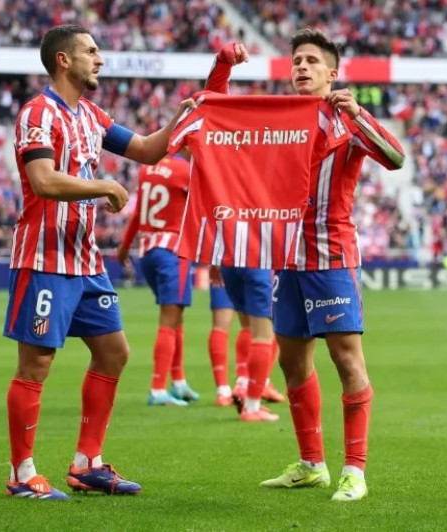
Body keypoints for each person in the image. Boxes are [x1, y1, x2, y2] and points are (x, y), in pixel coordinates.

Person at [206, 32, 405, 501]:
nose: (302, 67)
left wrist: (359, 114)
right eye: (297, 60)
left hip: (332, 257)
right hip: (286, 260)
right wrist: (222, 66)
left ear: (331, 73)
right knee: (294, 363)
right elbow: (214, 116)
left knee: (346, 359)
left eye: (313, 61)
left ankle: (354, 470)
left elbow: (395, 157)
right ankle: (312, 463)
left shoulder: (346, 121)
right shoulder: (279, 119)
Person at [3, 24, 196, 501]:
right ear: (64, 60)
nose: (100, 59)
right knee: (36, 364)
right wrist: (105, 186)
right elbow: (44, 180)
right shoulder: (37, 113)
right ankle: (22, 473)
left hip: (86, 260)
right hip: (45, 256)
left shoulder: (90, 114)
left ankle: (87, 463)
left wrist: (181, 119)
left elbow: (149, 150)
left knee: (114, 352)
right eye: (91, 51)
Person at [118, 154, 200, 407]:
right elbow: (199, 210)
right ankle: (157, 388)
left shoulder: (148, 167)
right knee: (169, 317)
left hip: (148, 250)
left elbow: (138, 211)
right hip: (174, 250)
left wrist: (124, 246)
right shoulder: (185, 170)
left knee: (175, 317)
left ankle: (179, 381)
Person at [207, 267, 285, 408]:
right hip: (259, 264)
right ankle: (252, 394)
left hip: (227, 262)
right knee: (268, 327)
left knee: (238, 326)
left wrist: (214, 262)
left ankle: (226, 390)